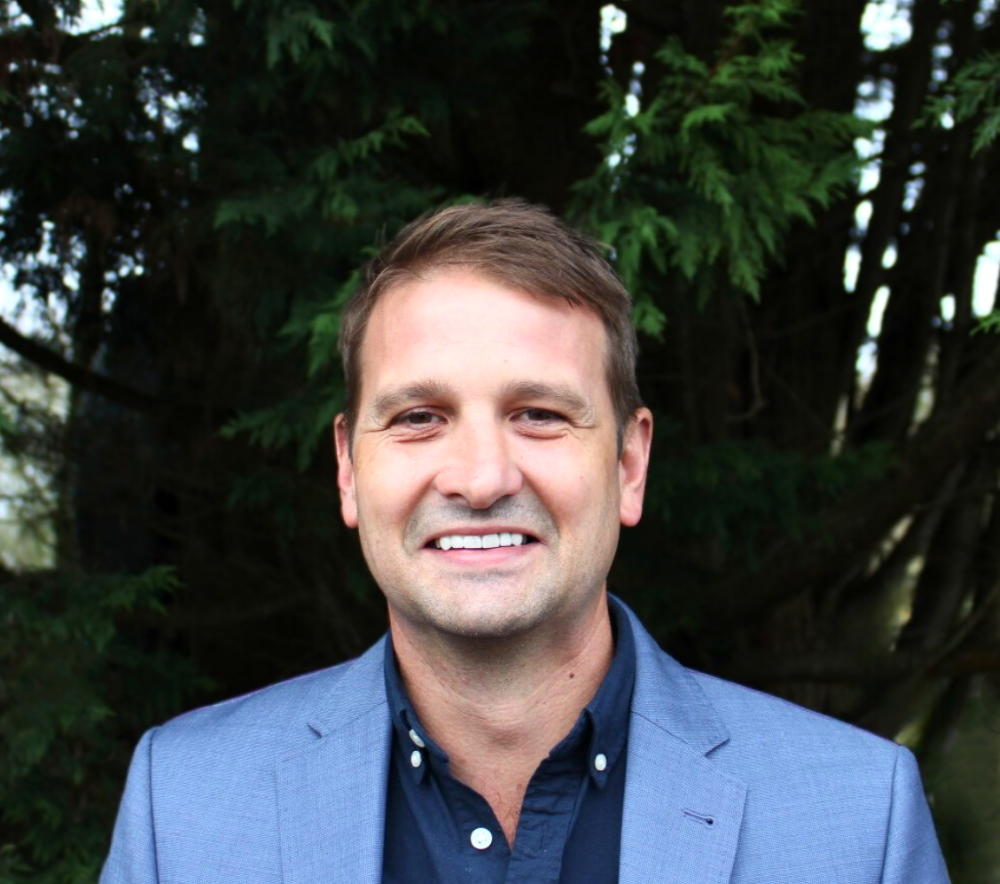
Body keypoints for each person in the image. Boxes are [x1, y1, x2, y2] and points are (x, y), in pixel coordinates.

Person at [101, 200, 950, 884]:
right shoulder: (184, 809)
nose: (480, 479)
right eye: (419, 417)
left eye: (538, 414)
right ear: (349, 470)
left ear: (629, 464)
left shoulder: (858, 822)